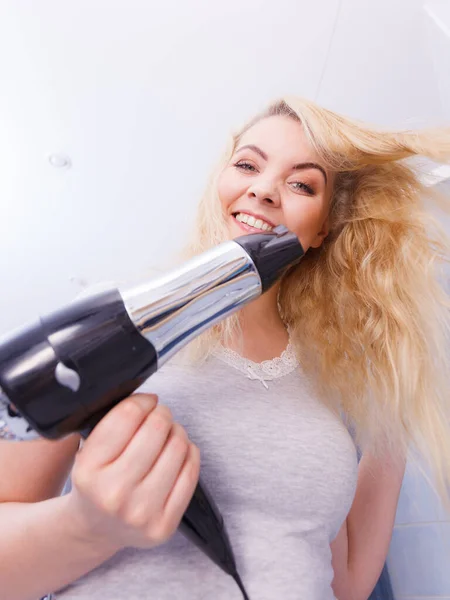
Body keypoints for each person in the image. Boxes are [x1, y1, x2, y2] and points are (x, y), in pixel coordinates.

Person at [1, 97, 450, 600]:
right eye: (247, 165)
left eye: (302, 183)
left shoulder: (333, 380)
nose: (263, 188)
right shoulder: (111, 323)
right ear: (223, 182)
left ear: (323, 228)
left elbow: (344, 582)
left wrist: (395, 400)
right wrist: (87, 525)